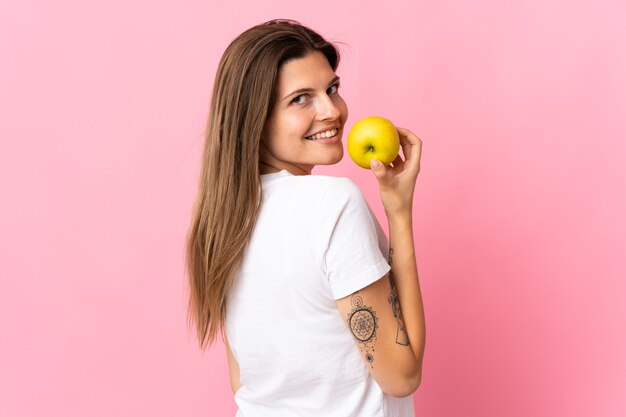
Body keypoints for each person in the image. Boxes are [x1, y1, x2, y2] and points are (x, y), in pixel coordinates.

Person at [186, 19, 425, 416]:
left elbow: (244, 380)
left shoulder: (219, 222)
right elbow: (402, 376)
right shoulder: (333, 203)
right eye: (301, 99)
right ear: (255, 119)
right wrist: (398, 211)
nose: (331, 111)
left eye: (332, 89)